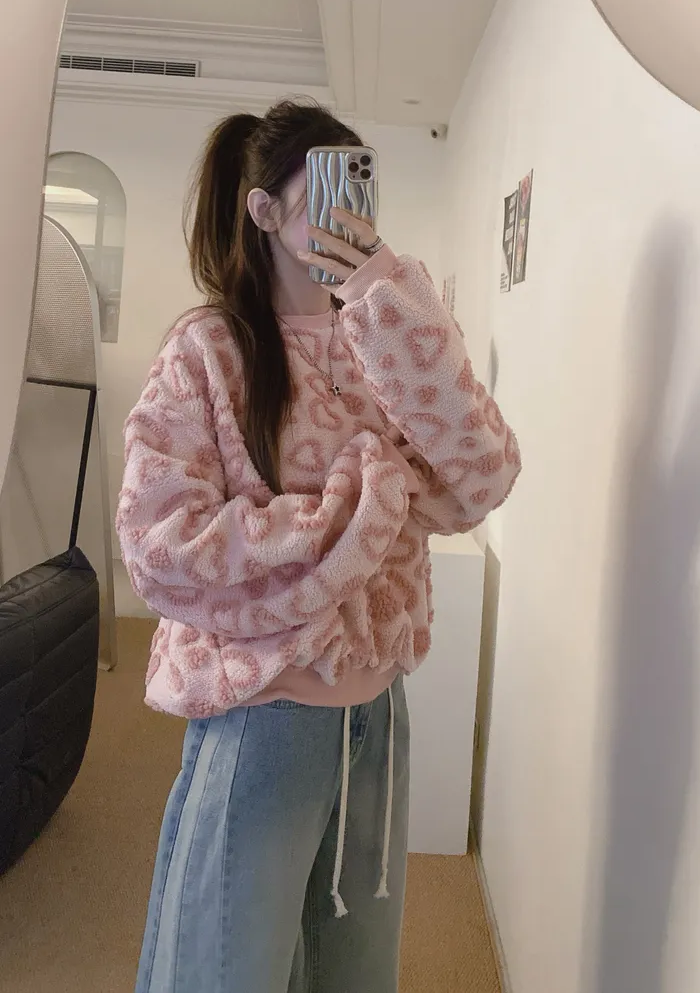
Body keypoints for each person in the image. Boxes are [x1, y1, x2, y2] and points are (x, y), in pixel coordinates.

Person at [116, 99, 521, 993]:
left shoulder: (385, 337)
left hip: (379, 718)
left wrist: (387, 294)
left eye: (360, 189)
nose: (351, 214)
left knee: (356, 974)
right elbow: (158, 547)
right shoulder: (208, 351)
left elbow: (483, 476)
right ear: (264, 210)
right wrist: (353, 519)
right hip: (263, 712)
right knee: (226, 972)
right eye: (327, 191)